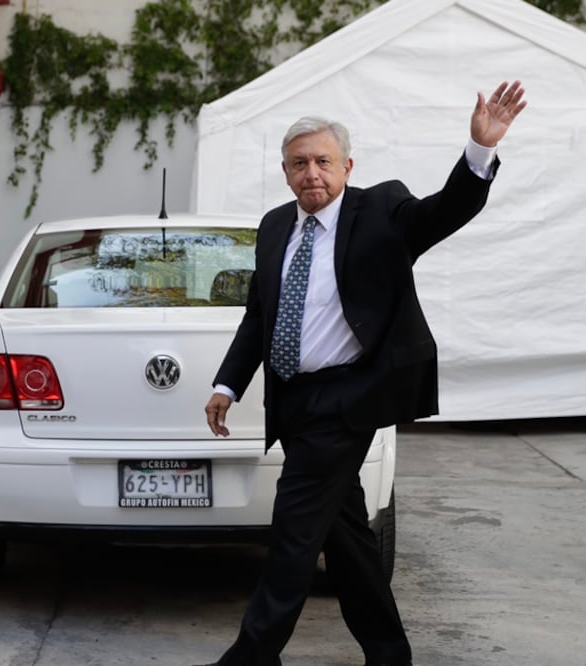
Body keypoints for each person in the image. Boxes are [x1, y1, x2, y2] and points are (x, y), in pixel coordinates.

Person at [199, 81, 527, 665]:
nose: (312, 174)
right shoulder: (276, 227)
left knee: (294, 531)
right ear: (284, 171)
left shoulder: (381, 209)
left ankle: (250, 657)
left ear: (347, 165)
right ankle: (388, 652)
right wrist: (228, 383)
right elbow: (260, 313)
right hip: (293, 403)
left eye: (323, 161)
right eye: (299, 164)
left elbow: (443, 212)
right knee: (347, 539)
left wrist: (478, 153)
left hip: (346, 401)